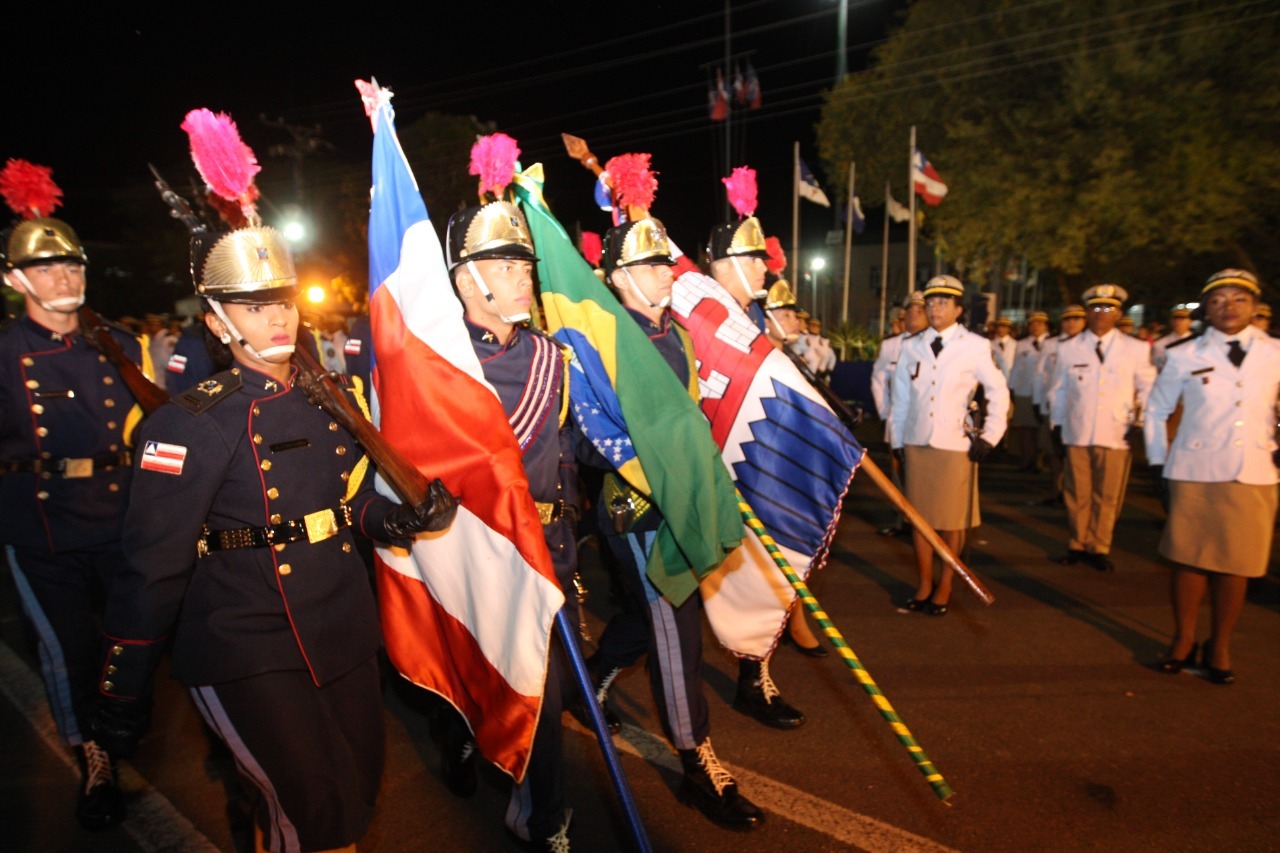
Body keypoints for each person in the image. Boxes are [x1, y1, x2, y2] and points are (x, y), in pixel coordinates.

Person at [88, 220, 457, 853]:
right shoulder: (188, 425)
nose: (277, 318)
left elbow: (343, 504)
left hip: (340, 627)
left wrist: (393, 519)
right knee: (314, 818)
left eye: (282, 301)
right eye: (254, 308)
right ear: (216, 322)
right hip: (245, 640)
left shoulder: (329, 397)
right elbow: (152, 569)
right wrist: (121, 685)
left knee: (356, 796)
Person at [587, 218, 763, 829]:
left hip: (683, 502)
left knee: (650, 618)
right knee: (675, 632)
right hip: (636, 510)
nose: (667, 273)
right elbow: (585, 439)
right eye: (651, 266)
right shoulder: (604, 341)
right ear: (618, 278)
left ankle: (592, 677)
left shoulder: (679, 336)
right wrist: (647, 457)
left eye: (666, 263)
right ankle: (696, 763)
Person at [438, 199, 585, 848]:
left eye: (526, 266)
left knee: (551, 687)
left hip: (551, 545)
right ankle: (540, 814)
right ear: (468, 280)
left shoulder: (552, 356)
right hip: (480, 550)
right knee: (522, 689)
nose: (525, 277)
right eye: (507, 266)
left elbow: (567, 449)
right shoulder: (439, 361)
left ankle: (481, 742)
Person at [0, 202, 147, 831]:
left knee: (133, 641)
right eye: (45, 267)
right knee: (69, 650)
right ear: (14, 278)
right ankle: (95, 759)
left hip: (120, 515)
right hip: (41, 525)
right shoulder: (6, 352)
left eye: (72, 264)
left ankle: (124, 725)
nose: (64, 277)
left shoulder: (120, 341)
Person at [1144, 269, 1279, 685]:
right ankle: (1183, 638)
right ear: (1206, 309)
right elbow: (1156, 409)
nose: (1229, 307)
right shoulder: (1185, 354)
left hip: (1254, 469)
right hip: (1195, 468)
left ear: (1255, 306)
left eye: (1239, 299)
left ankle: (1220, 644)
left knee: (1237, 565)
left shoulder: (1274, 351)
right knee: (1189, 560)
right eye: (1218, 301)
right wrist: (1157, 462)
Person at [705, 205, 807, 729]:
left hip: (753, 470)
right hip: (707, 474)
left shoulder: (758, 323)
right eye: (752, 259)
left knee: (757, 581)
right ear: (724, 266)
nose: (764, 267)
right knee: (657, 609)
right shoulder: (701, 319)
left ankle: (753, 679)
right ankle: (597, 681)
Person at [889, 275, 1009, 615]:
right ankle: (925, 582)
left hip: (955, 444)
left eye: (943, 303)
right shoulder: (910, 345)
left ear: (958, 309)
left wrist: (990, 435)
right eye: (930, 302)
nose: (934, 308)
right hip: (917, 440)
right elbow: (900, 399)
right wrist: (897, 439)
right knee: (920, 520)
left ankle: (945, 585)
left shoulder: (975, 346)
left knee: (951, 521)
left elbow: (999, 391)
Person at [1046, 285, 1156, 572]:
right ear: (1087, 312)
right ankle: (1077, 542)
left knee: (1107, 494)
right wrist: (1057, 424)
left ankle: (1099, 545)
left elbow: (1147, 387)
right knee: (1077, 491)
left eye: (1108, 308)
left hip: (1116, 431)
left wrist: (1139, 421)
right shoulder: (1069, 347)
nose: (1101, 313)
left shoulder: (1135, 348)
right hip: (1078, 429)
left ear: (1119, 313)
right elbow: (1058, 390)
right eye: (1095, 307)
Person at [871, 290, 927, 536]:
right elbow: (879, 379)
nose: (914, 313)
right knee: (897, 471)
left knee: (922, 475)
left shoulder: (935, 344)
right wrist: (885, 412)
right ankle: (901, 520)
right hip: (897, 418)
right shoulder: (891, 345)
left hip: (924, 422)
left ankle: (923, 525)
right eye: (910, 309)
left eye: (920, 309)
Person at [1032, 304, 1086, 506]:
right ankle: (1056, 489)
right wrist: (1038, 402)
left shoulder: (1090, 345)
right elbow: (1040, 374)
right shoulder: (1051, 344)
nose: (1071, 323)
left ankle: (1074, 494)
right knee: (1054, 452)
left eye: (1076, 319)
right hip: (1054, 407)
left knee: (1076, 455)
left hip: (1080, 409)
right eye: (1067, 319)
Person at [1008, 311, 1050, 472]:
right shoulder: (1022, 344)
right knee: (1026, 428)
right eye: (1032, 324)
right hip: (1025, 391)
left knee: (1042, 429)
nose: (1035, 327)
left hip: (1045, 392)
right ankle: (1026, 459)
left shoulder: (1053, 343)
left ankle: (1039, 461)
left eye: (1039, 324)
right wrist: (1011, 388)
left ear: (1045, 326)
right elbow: (1016, 368)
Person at [803, 316, 837, 381]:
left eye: (817, 326)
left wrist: (827, 371)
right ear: (808, 326)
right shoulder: (804, 337)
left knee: (829, 354)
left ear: (820, 328)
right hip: (807, 369)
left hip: (821, 373)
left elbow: (832, 357)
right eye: (812, 325)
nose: (815, 328)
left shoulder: (824, 341)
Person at [990, 316, 1016, 380]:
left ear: (1009, 329)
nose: (1000, 329)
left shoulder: (1015, 344)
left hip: (1010, 376)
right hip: (994, 376)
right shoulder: (990, 344)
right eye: (999, 327)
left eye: (1004, 327)